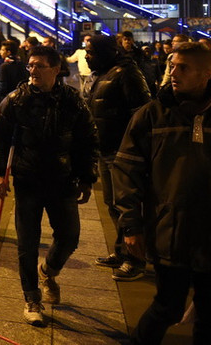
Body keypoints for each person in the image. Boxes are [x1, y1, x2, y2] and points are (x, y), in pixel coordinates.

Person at [112, 42, 211, 345]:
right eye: (171, 65)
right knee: (167, 307)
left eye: (183, 67)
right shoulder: (152, 114)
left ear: (207, 73)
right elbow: (126, 171)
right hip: (169, 232)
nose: (173, 73)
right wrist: (131, 225)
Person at [0, 45, 98, 327]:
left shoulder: (72, 100)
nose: (33, 70)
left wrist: (87, 177)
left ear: (56, 69)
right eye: (31, 65)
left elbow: (87, 140)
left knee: (69, 236)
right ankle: (31, 297)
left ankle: (48, 270)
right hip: (28, 179)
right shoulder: (16, 100)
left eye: (39, 65)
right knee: (27, 242)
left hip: (63, 179)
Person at [83, 33, 151, 281]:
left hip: (123, 153)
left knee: (128, 207)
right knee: (112, 204)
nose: (87, 56)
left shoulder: (127, 73)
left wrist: (133, 148)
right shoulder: (101, 74)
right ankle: (122, 251)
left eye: (91, 52)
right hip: (105, 149)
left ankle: (136, 259)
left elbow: (142, 113)